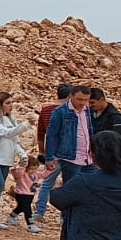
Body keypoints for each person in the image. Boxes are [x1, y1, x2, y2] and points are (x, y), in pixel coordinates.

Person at [45, 86, 97, 222]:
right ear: (71, 96)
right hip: (70, 157)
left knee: (92, 187)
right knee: (71, 188)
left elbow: (90, 131)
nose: (82, 102)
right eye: (79, 99)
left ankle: (85, 217)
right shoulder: (60, 112)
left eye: (86, 100)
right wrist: (50, 157)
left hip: (88, 158)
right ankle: (67, 218)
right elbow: (51, 135)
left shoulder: (88, 111)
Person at [0, 91, 31, 230]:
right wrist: (25, 125)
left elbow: (14, 140)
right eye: (8, 103)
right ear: (0, 104)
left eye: (12, 102)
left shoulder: (10, 119)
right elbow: (4, 133)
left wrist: (22, 154)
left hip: (6, 158)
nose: (11, 106)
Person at [36, 84, 75, 221]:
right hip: (68, 152)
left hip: (51, 152)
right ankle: (65, 216)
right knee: (68, 183)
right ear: (70, 95)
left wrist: (42, 151)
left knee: (47, 183)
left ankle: (39, 212)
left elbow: (41, 133)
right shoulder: (70, 110)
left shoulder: (46, 110)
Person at [9, 155, 47, 233]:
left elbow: (43, 175)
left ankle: (12, 216)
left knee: (21, 207)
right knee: (28, 210)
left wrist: (50, 169)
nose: (33, 171)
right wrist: (23, 165)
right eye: (31, 169)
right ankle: (30, 224)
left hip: (30, 195)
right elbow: (17, 172)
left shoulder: (35, 175)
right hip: (21, 194)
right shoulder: (22, 175)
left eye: (35, 169)